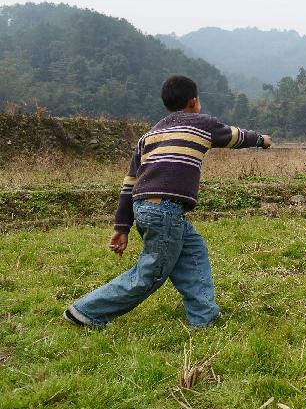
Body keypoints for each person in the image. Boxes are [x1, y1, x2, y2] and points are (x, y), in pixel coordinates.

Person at [64, 76, 272, 328]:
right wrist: (261, 139)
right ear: (194, 101)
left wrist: (122, 227)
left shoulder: (149, 136)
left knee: (193, 252)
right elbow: (235, 136)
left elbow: (129, 184)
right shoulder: (201, 124)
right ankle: (86, 312)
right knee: (150, 274)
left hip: (147, 208)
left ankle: (204, 316)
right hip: (165, 210)